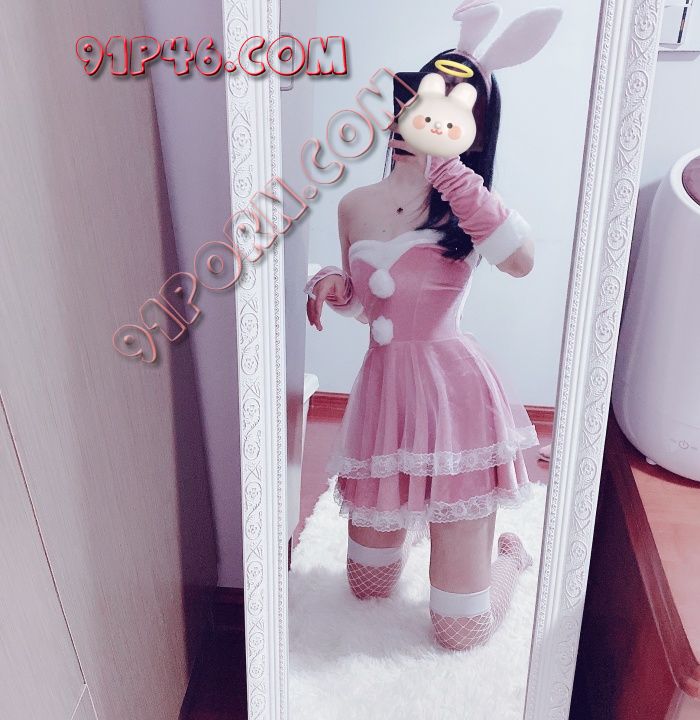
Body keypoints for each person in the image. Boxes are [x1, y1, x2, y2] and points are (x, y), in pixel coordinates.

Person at [304, 50, 538, 651]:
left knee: (460, 631)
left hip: (456, 404)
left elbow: (521, 262)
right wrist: (334, 286)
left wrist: (452, 175)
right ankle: (414, 520)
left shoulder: (469, 206)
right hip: (386, 401)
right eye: (416, 101)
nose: (423, 119)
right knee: (367, 587)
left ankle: (508, 557)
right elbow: (368, 308)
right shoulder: (355, 205)